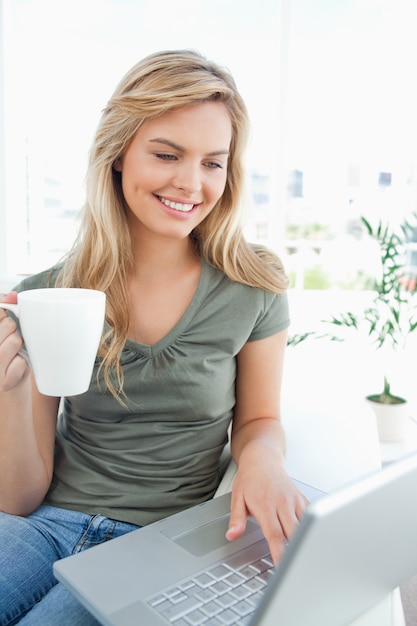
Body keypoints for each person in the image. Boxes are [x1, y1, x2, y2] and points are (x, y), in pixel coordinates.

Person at [0, 49, 307, 625]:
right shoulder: (48, 294)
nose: (191, 183)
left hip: (162, 541)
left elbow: (260, 420)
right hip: (45, 524)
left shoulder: (253, 286)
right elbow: (16, 500)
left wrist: (266, 461)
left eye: (213, 163)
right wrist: (8, 388)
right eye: (167, 154)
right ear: (117, 156)